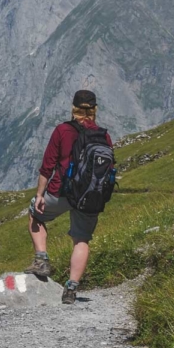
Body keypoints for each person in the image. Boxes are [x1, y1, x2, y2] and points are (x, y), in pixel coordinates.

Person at [25, 89, 113, 304]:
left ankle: (42, 259)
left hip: (61, 191)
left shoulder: (63, 130)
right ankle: (71, 289)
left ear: (73, 108)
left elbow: (47, 167)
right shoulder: (103, 135)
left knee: (35, 214)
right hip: (90, 196)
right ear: (94, 110)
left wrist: (39, 195)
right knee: (81, 239)